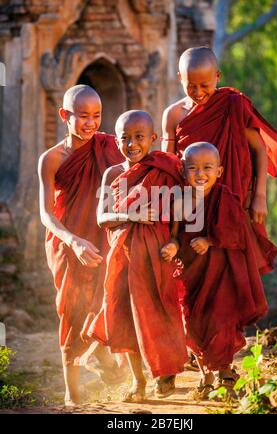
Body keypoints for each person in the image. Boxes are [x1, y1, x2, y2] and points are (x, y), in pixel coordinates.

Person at [162, 46, 277, 275]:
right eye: (190, 86)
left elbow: (259, 150)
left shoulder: (233, 105)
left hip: (233, 198)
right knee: (194, 266)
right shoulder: (174, 115)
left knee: (233, 262)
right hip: (191, 203)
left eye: (205, 85)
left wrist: (260, 196)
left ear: (218, 76)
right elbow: (169, 163)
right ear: (179, 78)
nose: (198, 92)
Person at [87, 110, 188, 402]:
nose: (132, 144)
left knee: (163, 311)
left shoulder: (166, 168)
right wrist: (129, 214)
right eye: (125, 138)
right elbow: (102, 217)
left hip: (158, 256)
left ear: (153, 139)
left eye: (139, 137)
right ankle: (138, 380)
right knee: (126, 317)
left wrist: (176, 242)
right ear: (116, 140)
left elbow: (180, 212)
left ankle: (165, 371)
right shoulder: (113, 174)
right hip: (124, 256)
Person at [38, 84, 125, 406]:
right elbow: (46, 214)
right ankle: (71, 391)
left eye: (97, 116)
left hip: (103, 238)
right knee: (73, 311)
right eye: (83, 116)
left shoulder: (110, 147)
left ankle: (101, 353)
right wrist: (73, 241)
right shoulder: (51, 159)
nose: (91, 123)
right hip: (67, 242)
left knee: (106, 299)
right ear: (65, 115)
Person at [161, 142, 268, 397]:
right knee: (193, 324)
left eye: (207, 167)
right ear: (184, 171)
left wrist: (210, 240)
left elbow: (238, 233)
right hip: (191, 274)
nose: (200, 174)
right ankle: (205, 376)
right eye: (193, 168)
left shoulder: (227, 199)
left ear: (219, 171)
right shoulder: (181, 200)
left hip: (222, 275)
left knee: (222, 322)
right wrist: (173, 247)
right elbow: (175, 234)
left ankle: (226, 375)